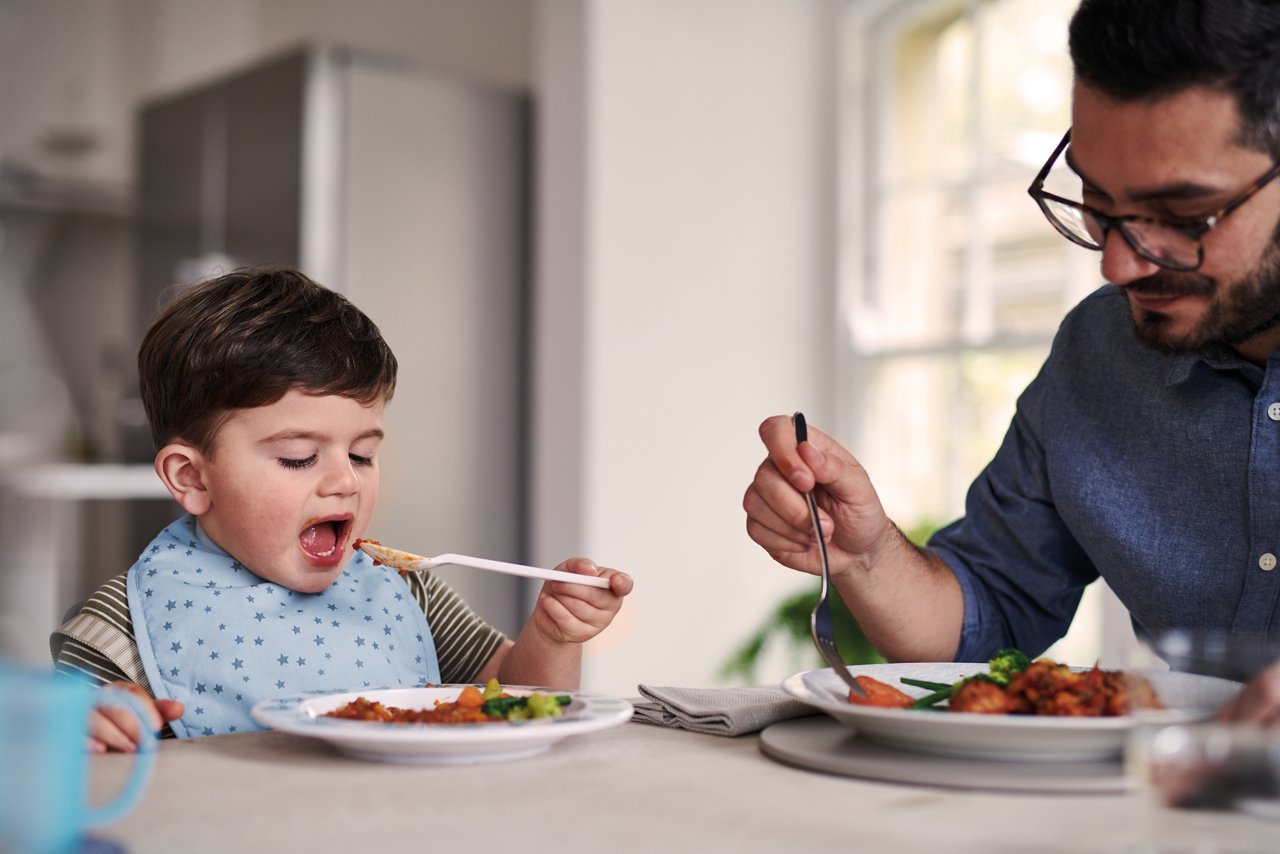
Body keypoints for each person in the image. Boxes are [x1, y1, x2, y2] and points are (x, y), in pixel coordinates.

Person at [743, 0, 1280, 726]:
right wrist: (864, 557)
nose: (1118, 265)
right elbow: (987, 613)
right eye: (1096, 202)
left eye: (1185, 218)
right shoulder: (1101, 355)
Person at [51, 267, 633, 751]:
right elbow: (49, 759)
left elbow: (512, 698)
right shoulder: (121, 624)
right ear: (193, 477)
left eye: (361, 454)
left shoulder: (402, 588)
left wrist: (555, 637)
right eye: (300, 458)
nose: (344, 482)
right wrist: (85, 727)